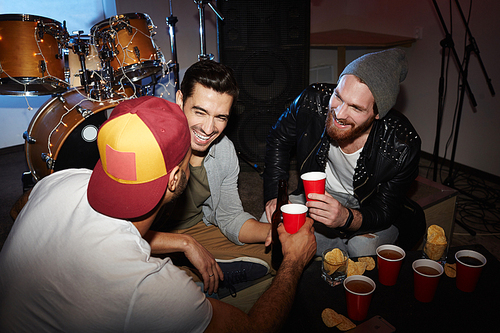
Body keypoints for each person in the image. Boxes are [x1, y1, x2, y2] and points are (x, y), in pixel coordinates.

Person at [0, 96, 317, 332]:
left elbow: (19, 208)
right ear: (176, 178)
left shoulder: (58, 181)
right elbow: (251, 330)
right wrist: (293, 262)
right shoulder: (149, 286)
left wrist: (183, 242)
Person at [263, 48, 426, 257]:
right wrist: (274, 196)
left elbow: (385, 210)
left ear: (378, 113)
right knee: (269, 225)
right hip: (319, 193)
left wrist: (346, 219)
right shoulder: (312, 101)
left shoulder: (402, 146)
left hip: (367, 204)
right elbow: (278, 138)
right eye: (338, 96)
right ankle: (334, 255)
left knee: (362, 248)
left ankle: (335, 253)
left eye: (356, 108)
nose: (339, 114)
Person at [145, 60, 273, 296]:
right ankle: (191, 280)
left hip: (195, 228)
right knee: (154, 292)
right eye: (200, 112)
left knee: (276, 261)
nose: (208, 128)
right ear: (181, 100)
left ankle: (195, 278)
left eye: (220, 117)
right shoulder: (149, 143)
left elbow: (230, 216)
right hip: (147, 237)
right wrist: (185, 244)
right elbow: (123, 234)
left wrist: (273, 232)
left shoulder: (224, 151)